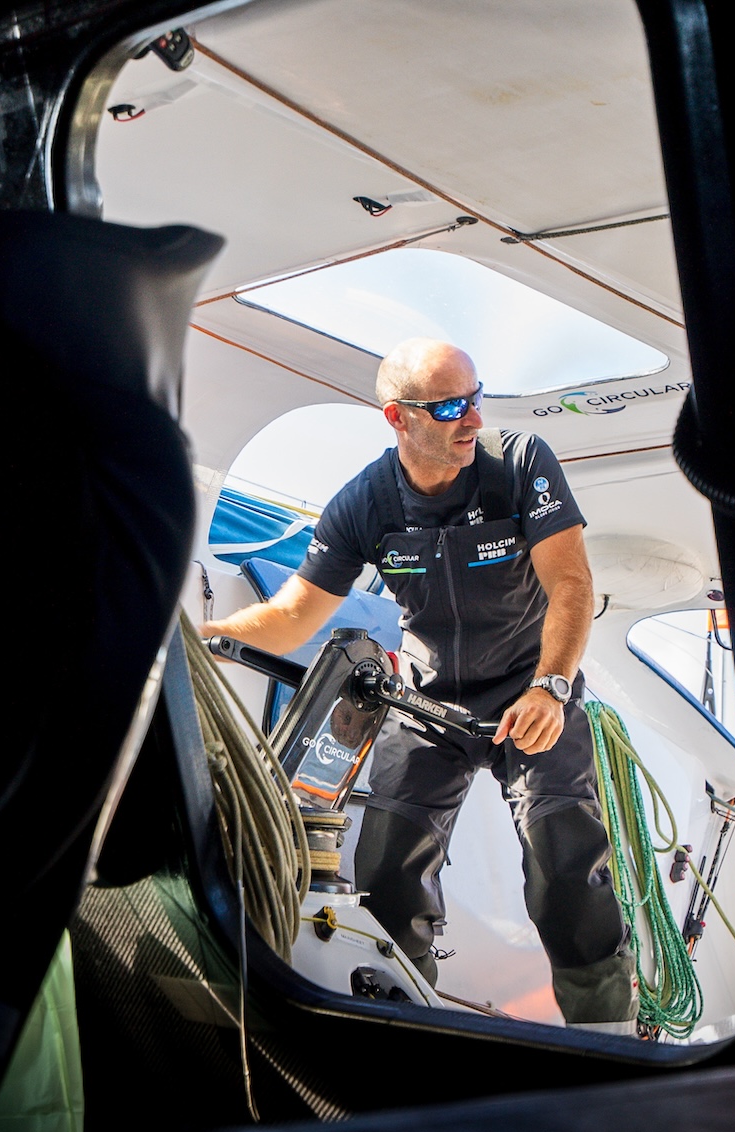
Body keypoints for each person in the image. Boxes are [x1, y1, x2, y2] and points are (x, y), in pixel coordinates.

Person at [200, 338, 636, 1025]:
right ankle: (410, 1023)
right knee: (385, 875)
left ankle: (612, 1038)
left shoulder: (519, 463)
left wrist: (552, 686)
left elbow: (572, 586)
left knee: (564, 866)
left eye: (476, 397)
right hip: (430, 703)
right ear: (398, 419)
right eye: (450, 407)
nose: (472, 418)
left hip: (533, 689)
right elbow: (290, 618)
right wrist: (208, 637)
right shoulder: (364, 504)